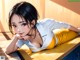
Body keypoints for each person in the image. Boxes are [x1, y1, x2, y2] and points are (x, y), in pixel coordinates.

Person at [5, 1, 80, 54]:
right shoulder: (22, 37)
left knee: (76, 33)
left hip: (60, 37)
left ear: (33, 23)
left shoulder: (46, 24)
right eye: (14, 25)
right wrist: (16, 38)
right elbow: (7, 51)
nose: (18, 30)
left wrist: (77, 30)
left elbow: (64, 25)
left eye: (23, 24)